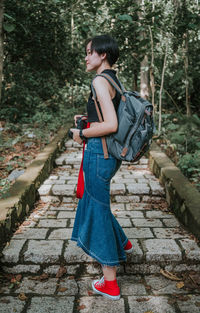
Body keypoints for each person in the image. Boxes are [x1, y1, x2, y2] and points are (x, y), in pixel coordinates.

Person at [70, 34, 133, 300]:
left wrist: (82, 134)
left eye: (89, 52)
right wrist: (87, 119)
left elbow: (111, 125)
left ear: (102, 54)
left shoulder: (98, 80)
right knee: (96, 203)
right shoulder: (112, 80)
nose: (86, 57)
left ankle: (110, 283)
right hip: (108, 155)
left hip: (99, 155)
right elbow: (109, 115)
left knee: (96, 209)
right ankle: (123, 243)